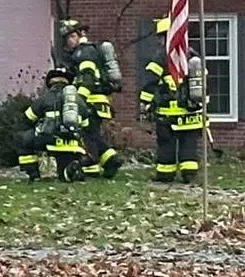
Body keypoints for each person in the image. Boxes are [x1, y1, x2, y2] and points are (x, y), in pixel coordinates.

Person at [138, 17, 207, 182]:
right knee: (189, 145)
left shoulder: (161, 56)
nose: (159, 41)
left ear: (164, 36)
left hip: (169, 114)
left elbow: (150, 81)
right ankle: (189, 173)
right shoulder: (191, 55)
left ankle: (165, 174)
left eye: (160, 37)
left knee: (167, 145)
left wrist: (144, 103)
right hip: (192, 114)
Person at [55, 18, 124, 178]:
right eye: (67, 38)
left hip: (91, 100)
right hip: (96, 100)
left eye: (72, 36)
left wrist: (79, 100)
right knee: (93, 134)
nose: (69, 41)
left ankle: (91, 167)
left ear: (81, 35)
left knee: (87, 135)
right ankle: (111, 160)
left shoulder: (84, 53)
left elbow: (88, 77)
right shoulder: (85, 51)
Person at [20, 64, 90, 181]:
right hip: (74, 145)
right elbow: (86, 125)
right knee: (64, 173)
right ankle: (73, 169)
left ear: (50, 82)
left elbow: (27, 118)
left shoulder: (44, 98)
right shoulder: (79, 101)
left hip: (50, 144)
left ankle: (34, 174)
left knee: (25, 138)